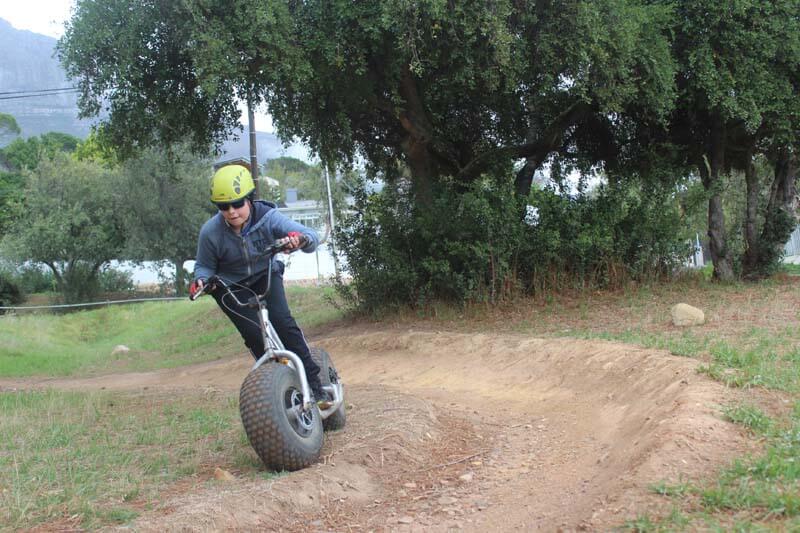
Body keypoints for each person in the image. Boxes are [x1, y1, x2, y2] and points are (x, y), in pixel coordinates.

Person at [189, 164, 328, 403]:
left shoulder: (268, 218)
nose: (231, 212)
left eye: (237, 204)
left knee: (283, 323)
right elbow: (203, 266)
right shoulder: (210, 232)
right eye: (223, 206)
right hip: (231, 287)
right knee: (254, 334)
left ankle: (315, 385)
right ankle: (275, 385)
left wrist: (300, 240)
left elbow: (310, 235)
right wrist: (201, 280)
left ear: (250, 199)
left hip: (266, 274)